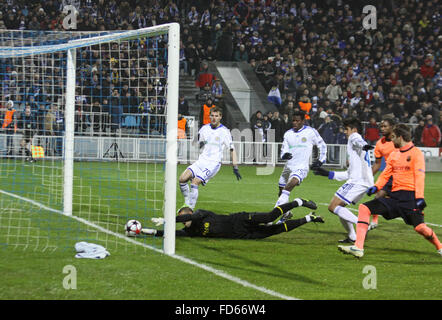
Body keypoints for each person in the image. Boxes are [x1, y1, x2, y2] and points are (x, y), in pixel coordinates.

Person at [338, 124, 442, 258]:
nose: (391, 141)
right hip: (393, 197)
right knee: (364, 208)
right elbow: (386, 174)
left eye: (393, 137)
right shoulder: (394, 154)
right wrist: (376, 187)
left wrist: (420, 197)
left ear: (400, 137)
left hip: (409, 198)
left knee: (420, 227)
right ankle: (358, 247)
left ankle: (440, 247)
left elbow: (420, 176)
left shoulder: (416, 153)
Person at [313, 118, 374, 243]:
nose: (345, 132)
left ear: (354, 129)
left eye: (347, 129)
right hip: (360, 181)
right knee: (340, 207)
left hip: (357, 181)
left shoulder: (354, 137)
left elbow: (358, 140)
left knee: (333, 206)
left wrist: (364, 145)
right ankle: (352, 236)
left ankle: (362, 224)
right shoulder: (357, 153)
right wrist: (328, 174)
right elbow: (348, 174)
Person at [143, 199, 324, 239]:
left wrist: (167, 219)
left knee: (269, 216)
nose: (184, 221)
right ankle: (308, 219)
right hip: (240, 235)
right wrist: (145, 231)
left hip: (241, 220)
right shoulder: (189, 231)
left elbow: (191, 216)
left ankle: (299, 201)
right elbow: (172, 234)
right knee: (273, 231)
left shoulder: (200, 214)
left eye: (183, 217)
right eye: (182, 220)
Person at [178, 107, 241, 210]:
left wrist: (235, 167)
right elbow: (197, 143)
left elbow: (232, 149)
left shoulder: (224, 131)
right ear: (209, 116)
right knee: (182, 179)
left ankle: (190, 209)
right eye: (212, 115)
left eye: (216, 116)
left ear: (220, 117)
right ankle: (186, 202)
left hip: (213, 163)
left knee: (194, 182)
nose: (214, 118)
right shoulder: (204, 128)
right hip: (201, 161)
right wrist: (200, 143)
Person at [274, 110, 327, 223]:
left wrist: (321, 160)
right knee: (281, 190)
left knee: (287, 188)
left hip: (301, 167)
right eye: (293, 120)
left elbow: (322, 145)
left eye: (297, 121)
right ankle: (286, 214)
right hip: (288, 166)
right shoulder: (288, 133)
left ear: (303, 121)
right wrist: (284, 155)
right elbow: (284, 149)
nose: (295, 123)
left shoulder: (310, 132)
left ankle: (272, 217)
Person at [370, 117, 397, 230]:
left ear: (392, 127)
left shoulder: (399, 140)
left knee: (406, 202)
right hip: (389, 175)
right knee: (378, 196)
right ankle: (374, 220)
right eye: (381, 126)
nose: (382, 128)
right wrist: (368, 176)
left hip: (402, 176)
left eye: (385, 126)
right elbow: (377, 163)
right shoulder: (379, 144)